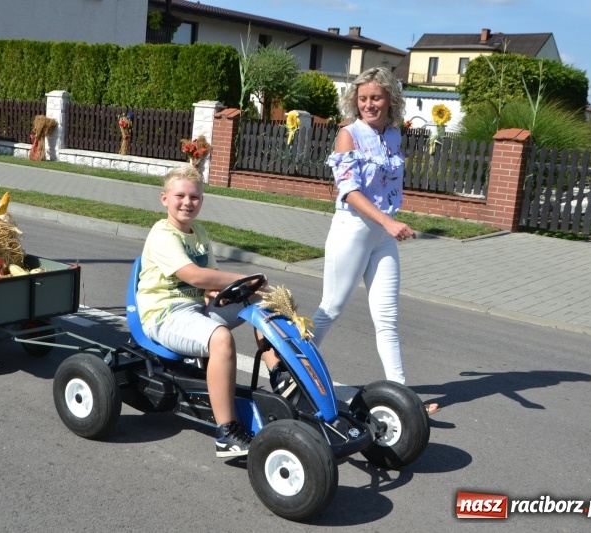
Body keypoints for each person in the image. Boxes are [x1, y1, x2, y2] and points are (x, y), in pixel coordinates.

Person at [309, 67, 440, 416]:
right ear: (356, 101)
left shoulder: (394, 135)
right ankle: (296, 369)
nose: (369, 104)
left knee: (387, 317)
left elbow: (387, 183)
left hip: (382, 235)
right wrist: (388, 221)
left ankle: (402, 399)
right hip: (353, 230)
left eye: (376, 97)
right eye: (363, 98)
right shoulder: (347, 135)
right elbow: (348, 191)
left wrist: (388, 222)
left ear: (390, 100)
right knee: (332, 308)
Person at [136, 166, 286, 458]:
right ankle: (227, 433)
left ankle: (279, 373)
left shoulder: (199, 233)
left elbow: (211, 285)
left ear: (201, 201)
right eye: (180, 195)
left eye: (194, 197)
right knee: (220, 339)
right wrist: (244, 278)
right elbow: (196, 276)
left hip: (195, 310)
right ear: (164, 198)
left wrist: (251, 291)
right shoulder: (162, 234)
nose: (187, 202)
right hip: (165, 315)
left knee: (262, 304)